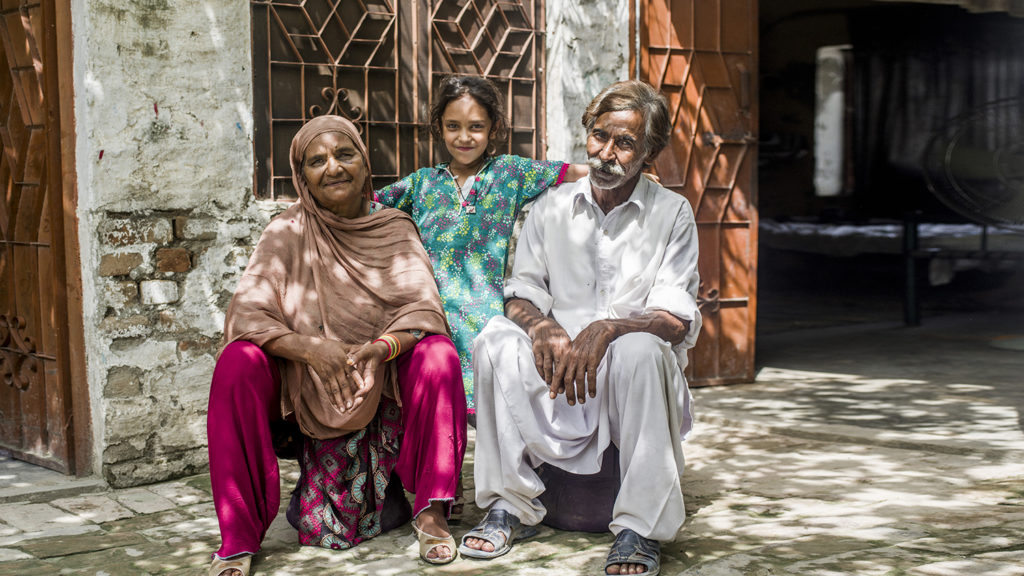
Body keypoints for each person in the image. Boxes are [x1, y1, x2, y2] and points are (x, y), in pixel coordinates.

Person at [459, 80, 702, 576]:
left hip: (629, 379)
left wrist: (610, 329)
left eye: (625, 143)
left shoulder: (673, 212)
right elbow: (520, 293)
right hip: (556, 370)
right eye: (598, 136)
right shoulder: (551, 207)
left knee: (641, 348)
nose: (606, 153)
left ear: (650, 152)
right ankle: (510, 504)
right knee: (494, 341)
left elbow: (676, 321)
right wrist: (543, 327)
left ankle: (639, 528)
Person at [206, 115, 467, 576]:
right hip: (303, 378)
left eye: (344, 154)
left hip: (382, 377)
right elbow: (247, 316)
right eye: (317, 160)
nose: (333, 168)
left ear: (365, 164)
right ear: (301, 174)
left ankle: (432, 511)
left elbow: (423, 314)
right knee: (236, 362)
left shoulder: (393, 227)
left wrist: (379, 349)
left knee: (438, 355)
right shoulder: (286, 232)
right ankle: (238, 538)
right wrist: (311, 350)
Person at [375, 75, 588, 417]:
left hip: (487, 324)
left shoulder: (510, 173)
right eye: (452, 126)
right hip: (432, 322)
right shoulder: (422, 183)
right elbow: (366, 206)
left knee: (494, 420)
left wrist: (619, 175)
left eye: (475, 126)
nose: (463, 137)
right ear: (439, 128)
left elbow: (569, 172)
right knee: (433, 417)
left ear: (493, 128)